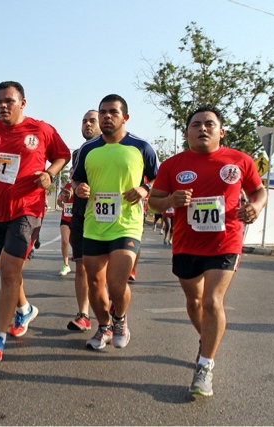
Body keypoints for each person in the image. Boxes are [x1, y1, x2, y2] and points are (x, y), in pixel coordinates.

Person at [147, 105, 266, 397]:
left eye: (209, 124)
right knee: (195, 301)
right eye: (196, 124)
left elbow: (258, 191)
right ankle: (208, 339)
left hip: (225, 241)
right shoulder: (173, 165)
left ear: (221, 131)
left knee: (213, 301)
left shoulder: (239, 160)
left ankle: (204, 365)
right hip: (187, 243)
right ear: (187, 132)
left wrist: (256, 206)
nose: (202, 128)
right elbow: (154, 203)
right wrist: (172, 199)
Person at [0, 81, 70, 362]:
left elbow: (63, 155)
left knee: (10, 270)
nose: (2, 106)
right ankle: (24, 308)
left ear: (23, 103)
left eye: (9, 101)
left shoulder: (41, 130)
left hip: (28, 209)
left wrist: (49, 173)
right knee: (6, 270)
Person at [72, 95, 158, 350]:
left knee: (117, 282)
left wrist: (145, 189)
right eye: (103, 112)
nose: (106, 116)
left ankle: (119, 319)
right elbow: (77, 180)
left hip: (126, 224)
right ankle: (103, 327)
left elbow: (159, 181)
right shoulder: (88, 149)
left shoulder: (141, 147)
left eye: (112, 112)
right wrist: (79, 189)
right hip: (94, 224)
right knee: (95, 282)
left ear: (125, 117)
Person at [66, 109, 101, 332]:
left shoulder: (117, 150)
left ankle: (113, 316)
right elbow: (74, 180)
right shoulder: (78, 153)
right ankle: (83, 315)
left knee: (104, 272)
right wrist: (74, 189)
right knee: (81, 267)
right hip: (80, 214)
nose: (87, 124)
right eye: (84, 121)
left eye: (92, 121)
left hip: (105, 216)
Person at [56, 178, 74, 276]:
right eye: (70, 173)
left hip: (78, 219)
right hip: (65, 219)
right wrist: (63, 204)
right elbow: (59, 202)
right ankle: (66, 264)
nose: (72, 175)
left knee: (75, 241)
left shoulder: (82, 186)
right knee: (64, 241)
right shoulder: (65, 187)